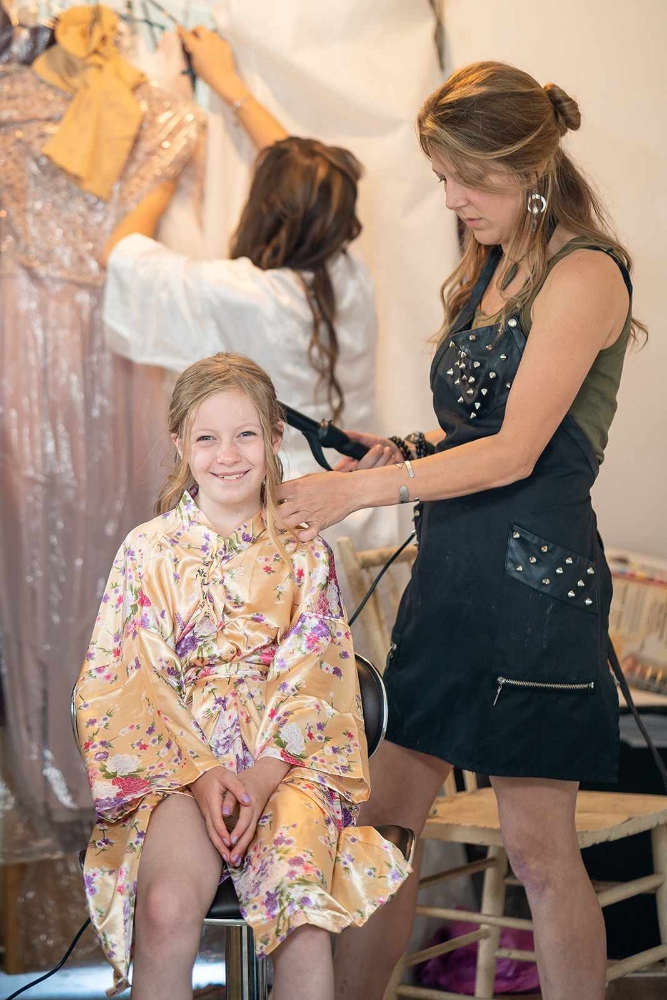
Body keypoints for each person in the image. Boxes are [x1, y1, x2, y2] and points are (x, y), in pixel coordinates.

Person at [276, 62, 644, 1000]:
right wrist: (393, 447)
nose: (451, 198)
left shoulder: (585, 271)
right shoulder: (488, 266)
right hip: (452, 574)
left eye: (467, 179)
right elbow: (474, 434)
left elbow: (518, 452)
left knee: (535, 847)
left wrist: (362, 496)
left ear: (528, 167)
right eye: (441, 176)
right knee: (387, 825)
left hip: (534, 588)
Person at [73, 353, 409, 1000]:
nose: (227, 455)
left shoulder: (304, 548)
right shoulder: (149, 550)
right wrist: (202, 775)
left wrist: (260, 775)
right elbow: (129, 677)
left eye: (245, 434)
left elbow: (315, 672)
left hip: (285, 761)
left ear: (274, 439)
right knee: (167, 906)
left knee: (301, 914)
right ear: (180, 445)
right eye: (206, 438)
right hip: (178, 764)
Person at [101, 26, 397, 498]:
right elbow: (310, 181)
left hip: (280, 505)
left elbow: (119, 255)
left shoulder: (244, 294)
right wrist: (230, 86)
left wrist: (165, 170)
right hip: (359, 489)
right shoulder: (346, 272)